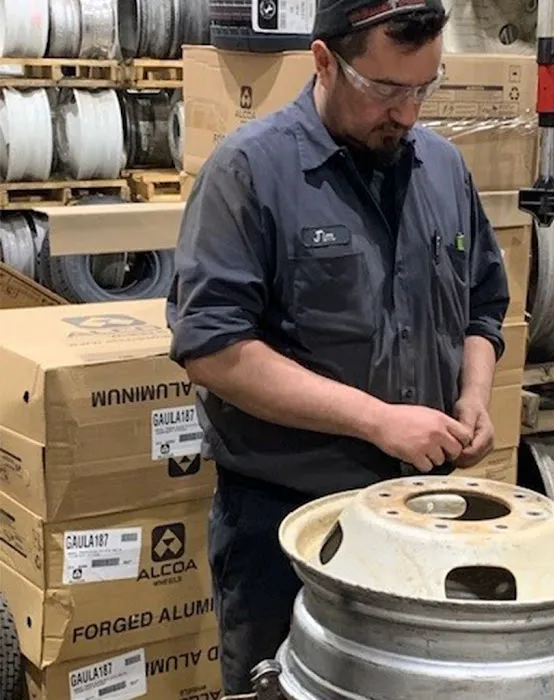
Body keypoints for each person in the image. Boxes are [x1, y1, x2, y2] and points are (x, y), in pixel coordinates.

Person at [166, 0, 509, 692]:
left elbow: (483, 304)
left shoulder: (443, 168)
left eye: (424, 88)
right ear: (324, 61)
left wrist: (474, 396)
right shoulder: (250, 171)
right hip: (287, 529)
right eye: (385, 89)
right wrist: (377, 420)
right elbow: (213, 347)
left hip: (423, 517)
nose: (407, 112)